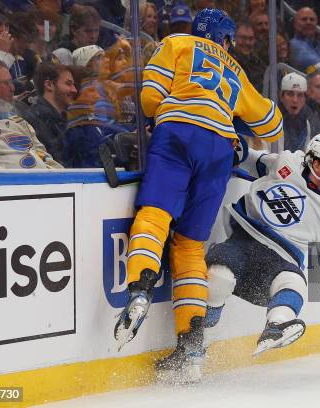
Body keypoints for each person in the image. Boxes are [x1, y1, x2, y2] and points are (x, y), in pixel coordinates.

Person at [114, 8, 283, 382]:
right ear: (225, 39)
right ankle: (191, 349)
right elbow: (272, 123)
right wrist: (235, 113)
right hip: (221, 146)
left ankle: (140, 289)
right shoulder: (236, 69)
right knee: (190, 243)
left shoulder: (175, 43)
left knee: (155, 215)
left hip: (178, 132)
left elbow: (150, 99)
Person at [203, 134, 320, 359]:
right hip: (244, 239)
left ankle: (276, 327)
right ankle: (196, 346)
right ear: (316, 164)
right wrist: (227, 146)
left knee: (294, 283)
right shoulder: (288, 163)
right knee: (218, 278)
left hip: (281, 259)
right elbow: (252, 160)